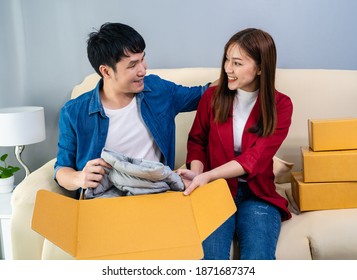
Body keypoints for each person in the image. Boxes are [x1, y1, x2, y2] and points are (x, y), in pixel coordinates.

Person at [177, 28, 293, 260]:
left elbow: (256, 158)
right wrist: (197, 174)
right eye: (227, 60)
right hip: (215, 193)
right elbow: (197, 140)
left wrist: (209, 175)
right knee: (209, 261)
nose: (228, 69)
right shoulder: (211, 98)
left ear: (260, 68)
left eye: (237, 63)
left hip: (257, 195)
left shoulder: (281, 105)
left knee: (258, 259)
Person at [54, 22, 211, 194]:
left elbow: (205, 94)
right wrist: (79, 177)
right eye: (132, 65)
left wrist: (235, 75)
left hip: (156, 193)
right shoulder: (74, 112)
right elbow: (62, 169)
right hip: (105, 198)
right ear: (106, 72)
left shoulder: (158, 90)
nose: (143, 70)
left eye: (142, 59)